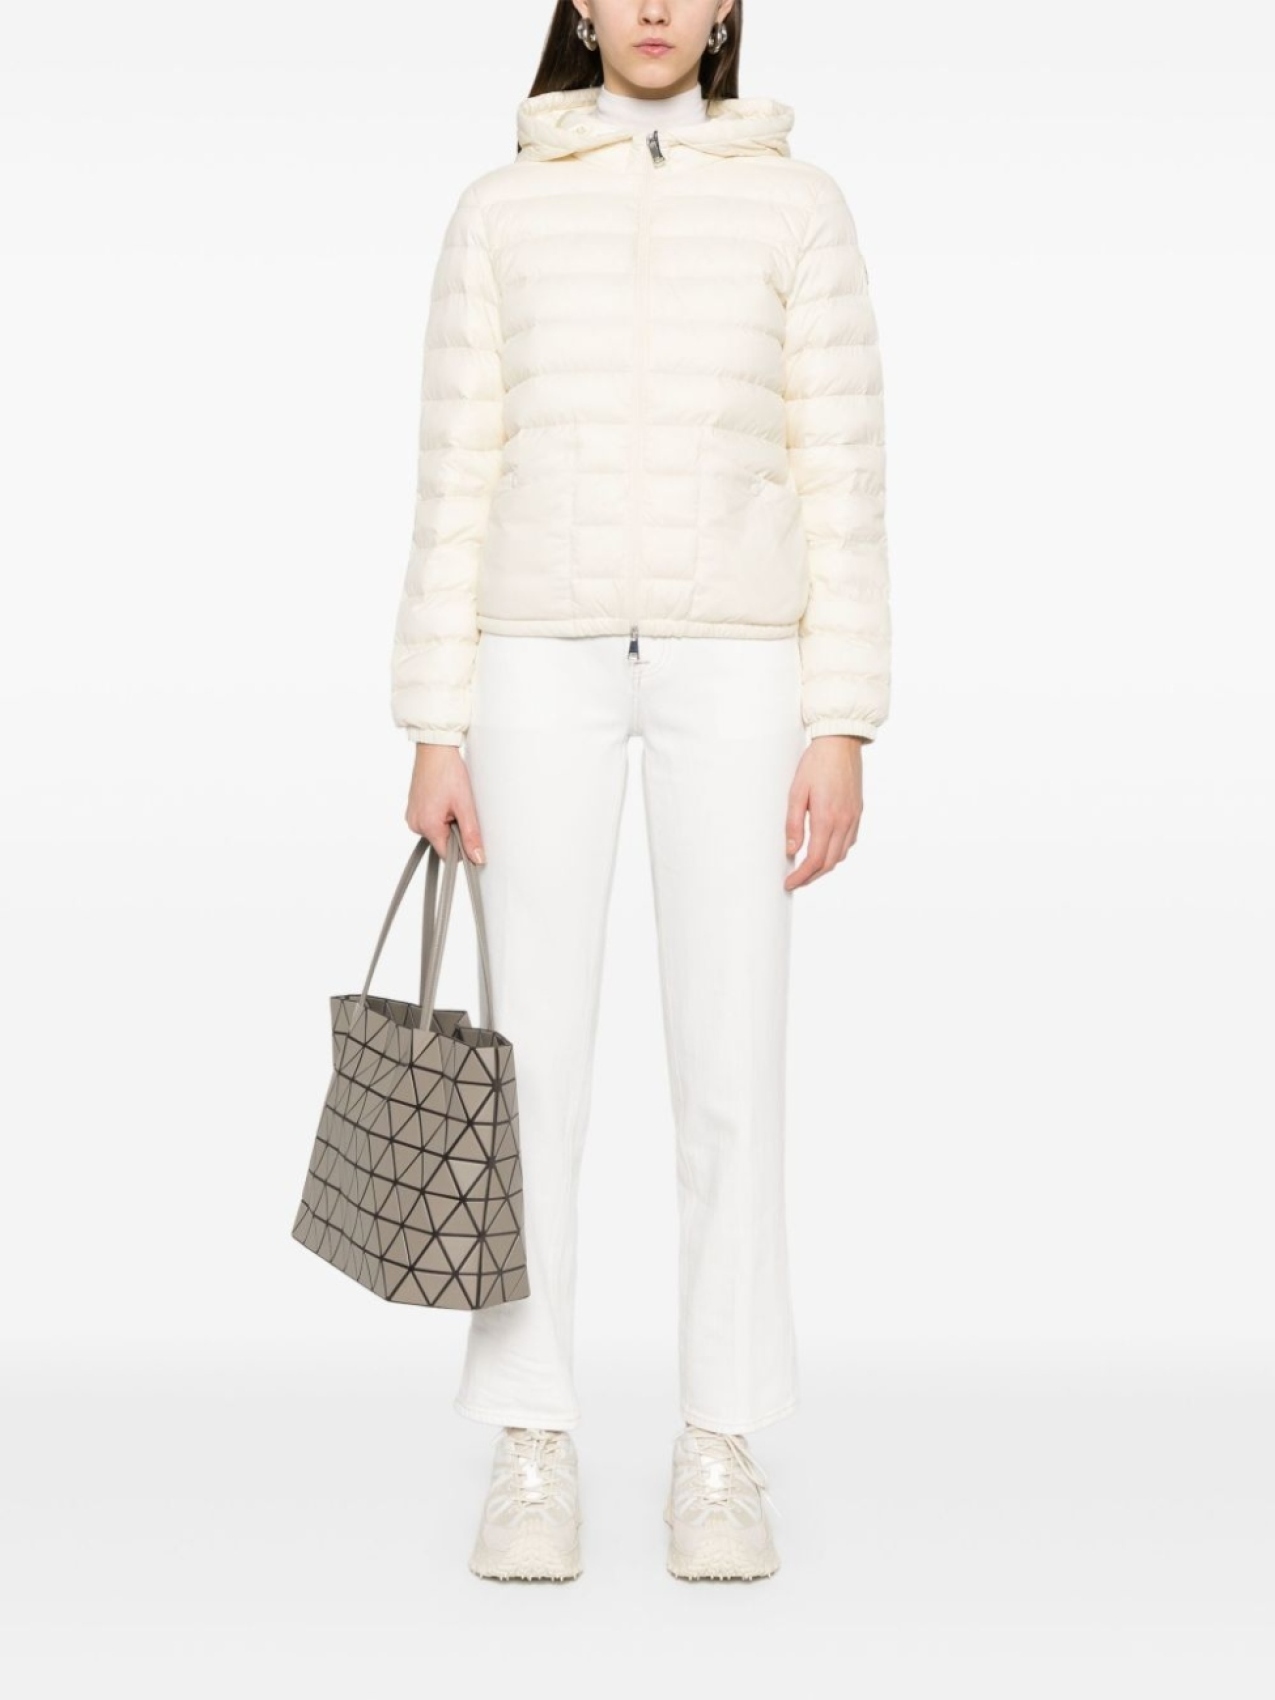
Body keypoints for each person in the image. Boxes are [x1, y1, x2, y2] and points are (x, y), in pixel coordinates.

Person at [390, 0, 890, 1583]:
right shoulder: (500, 208)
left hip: (739, 660)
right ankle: (532, 1439)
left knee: (731, 1060)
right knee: (529, 1065)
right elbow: (455, 471)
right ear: (583, 6)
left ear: (729, 6)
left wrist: (843, 716)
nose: (657, 5)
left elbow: (843, 472)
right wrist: (432, 719)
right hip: (531, 657)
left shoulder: (799, 206)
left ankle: (719, 1441)